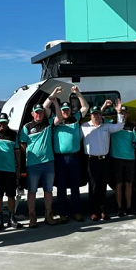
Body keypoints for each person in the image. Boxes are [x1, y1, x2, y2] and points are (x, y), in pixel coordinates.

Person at [45, 86, 88, 223]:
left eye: (67, 109)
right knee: (61, 186)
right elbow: (45, 107)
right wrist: (54, 94)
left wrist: (78, 93)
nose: (65, 112)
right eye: (63, 110)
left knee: (75, 186)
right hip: (60, 159)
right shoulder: (55, 121)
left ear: (70, 110)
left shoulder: (75, 118)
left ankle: (76, 212)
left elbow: (85, 107)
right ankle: (63, 214)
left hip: (75, 157)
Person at [80, 99, 124, 221]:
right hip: (91, 161)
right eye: (94, 114)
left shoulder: (106, 126)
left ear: (101, 115)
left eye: (98, 114)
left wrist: (119, 112)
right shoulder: (84, 127)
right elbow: (77, 140)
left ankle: (103, 211)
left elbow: (120, 126)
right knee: (94, 186)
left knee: (103, 186)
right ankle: (94, 212)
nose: (97, 116)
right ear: (91, 116)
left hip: (104, 160)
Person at [19, 100, 59, 228]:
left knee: (48, 190)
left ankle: (49, 215)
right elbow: (22, 144)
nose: (39, 114)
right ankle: (32, 216)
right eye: (37, 112)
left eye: (41, 112)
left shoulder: (48, 124)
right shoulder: (27, 127)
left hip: (48, 163)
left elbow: (59, 117)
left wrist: (54, 101)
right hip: (33, 164)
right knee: (32, 191)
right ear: (32, 114)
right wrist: (30, 154)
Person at [109, 106, 136, 217]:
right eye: (121, 113)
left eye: (125, 113)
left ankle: (128, 207)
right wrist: (105, 106)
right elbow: (98, 118)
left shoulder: (132, 126)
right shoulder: (113, 124)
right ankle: (120, 208)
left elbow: (135, 141)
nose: (123, 115)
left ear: (128, 114)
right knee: (118, 184)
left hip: (130, 159)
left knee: (129, 184)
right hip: (117, 159)